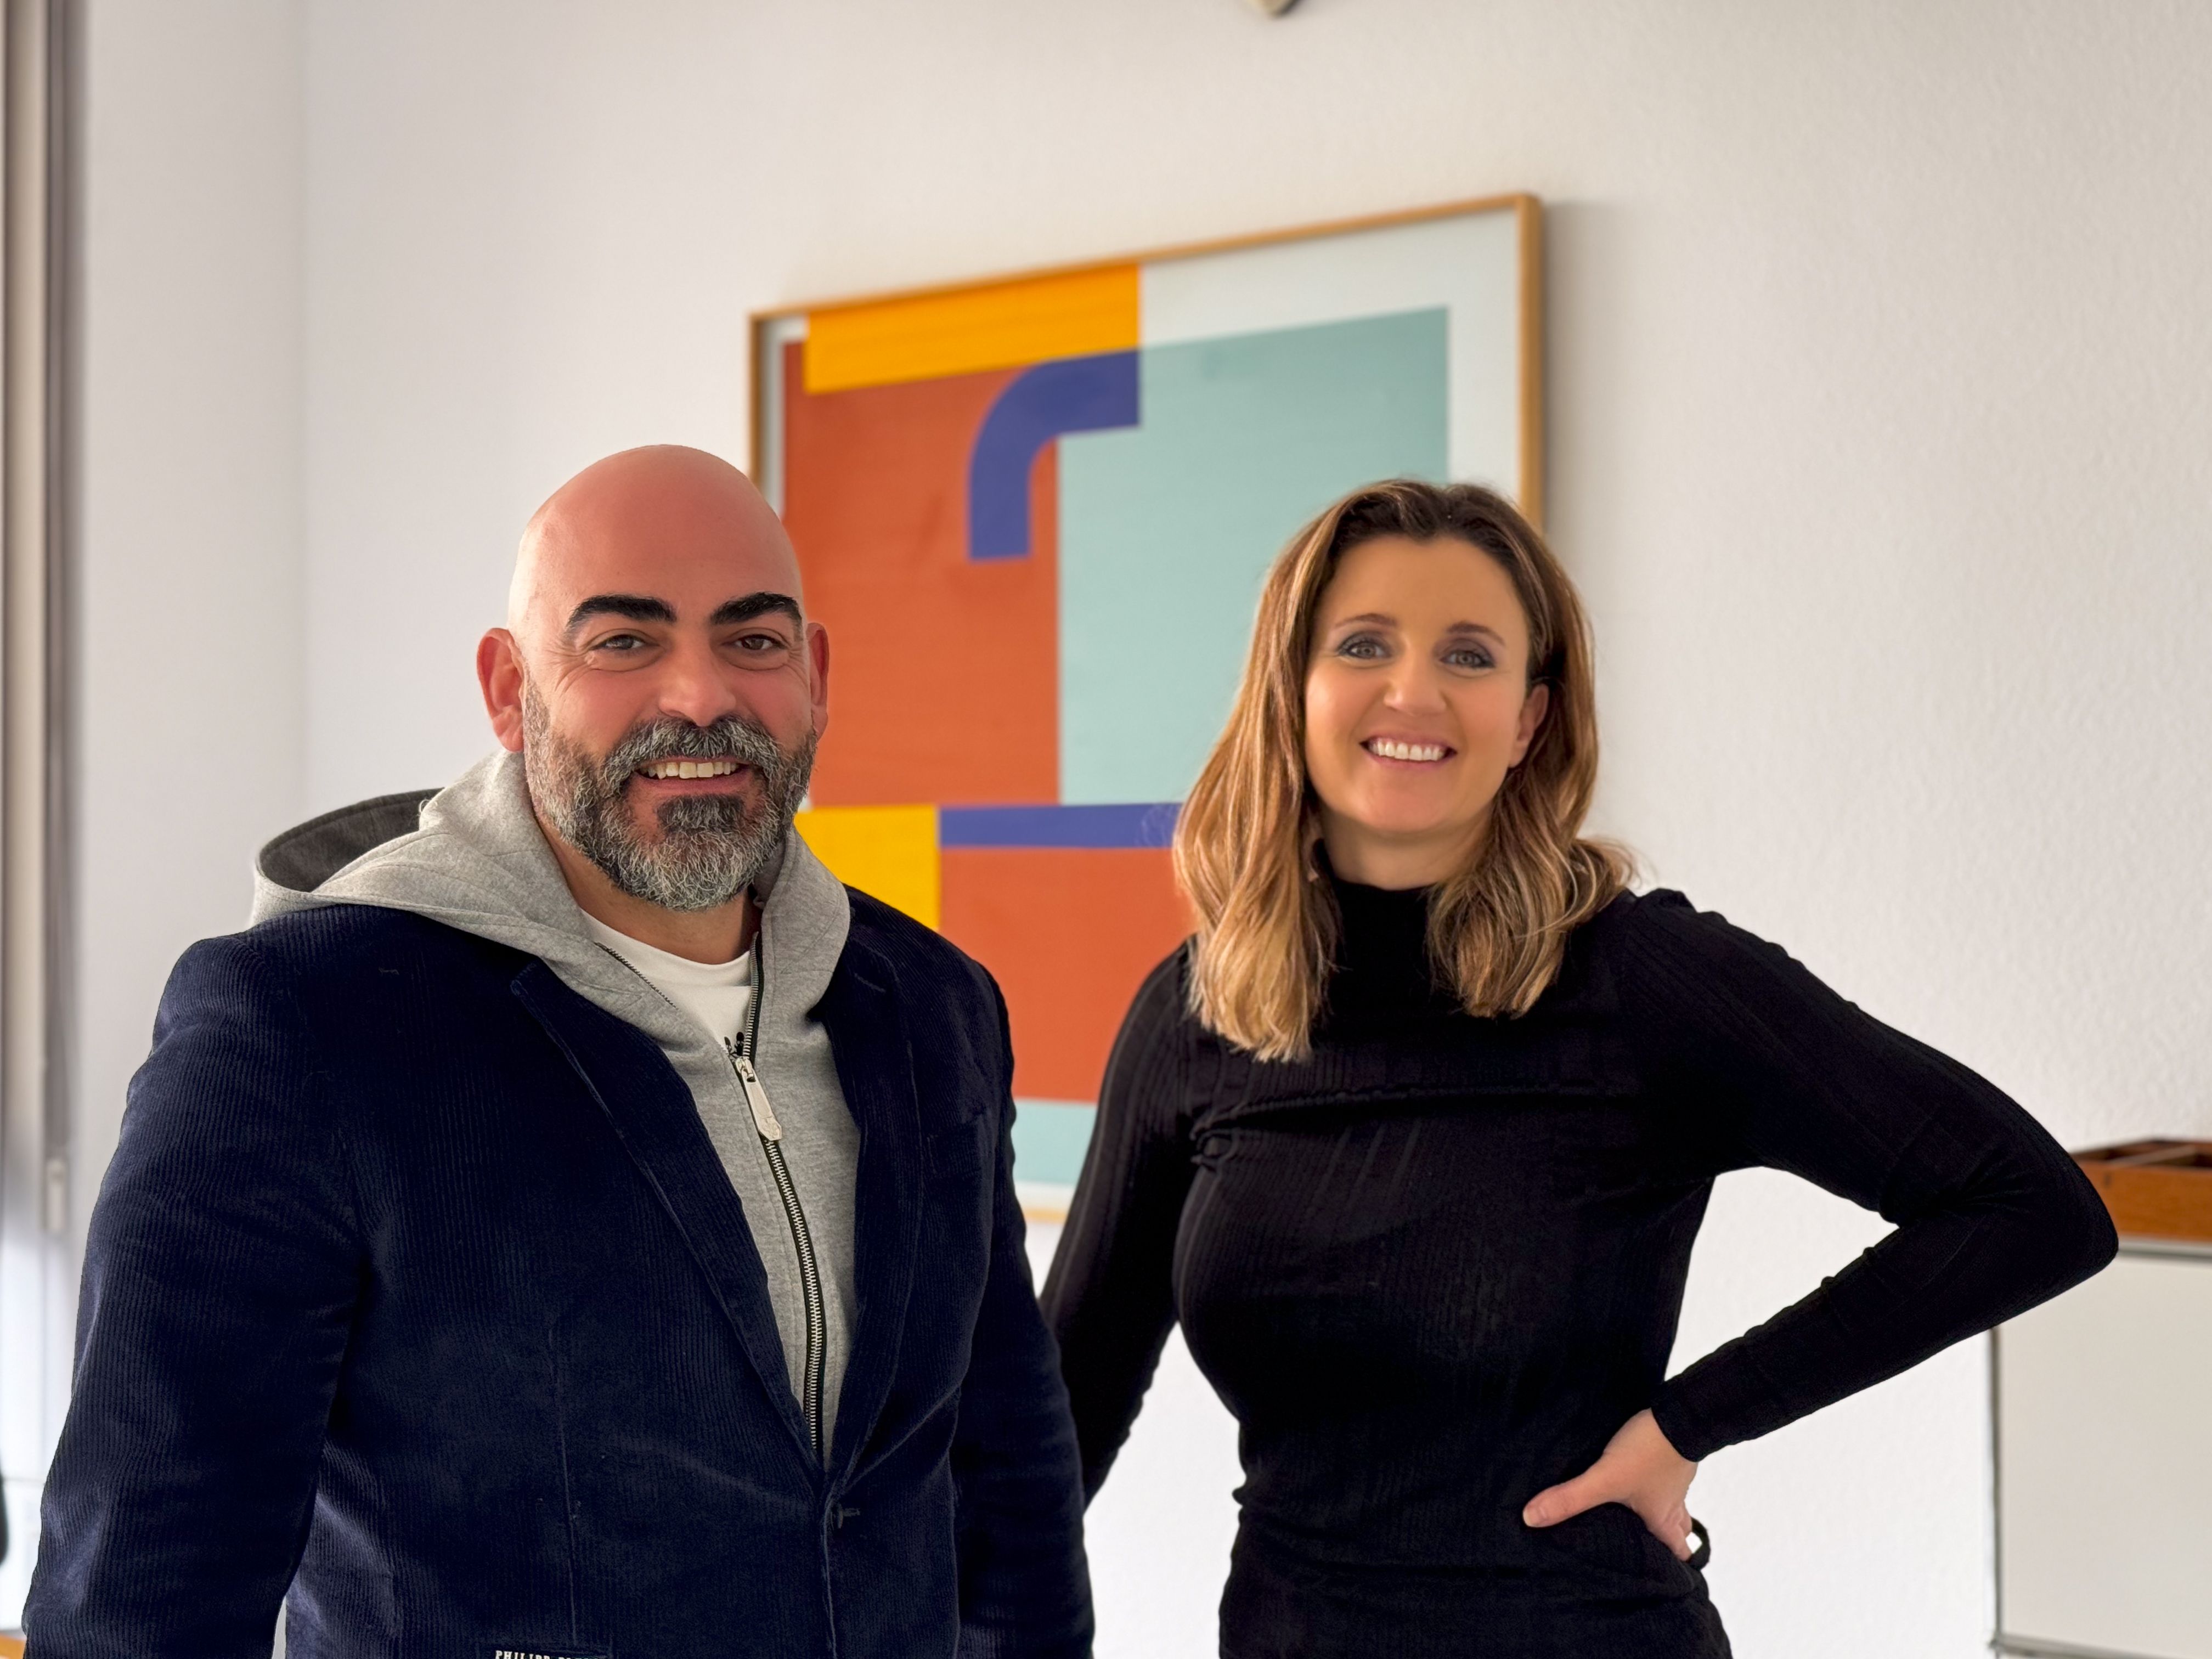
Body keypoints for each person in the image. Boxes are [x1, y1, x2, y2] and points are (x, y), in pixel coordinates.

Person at [26, 446, 1092, 1658]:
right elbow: (149, 1584)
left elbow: (1008, 1480)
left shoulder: (934, 1006)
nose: (700, 696)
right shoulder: (301, 1028)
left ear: (817, 674)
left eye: (752, 639)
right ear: (508, 687)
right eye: (624, 642)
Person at [1041, 478, 2115, 1658]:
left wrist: (1689, 1423)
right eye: (1363, 645)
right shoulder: (1199, 1010)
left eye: (1469, 655)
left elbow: (2030, 1207)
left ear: (1530, 720)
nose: (1414, 692)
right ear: (1291, 690)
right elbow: (1064, 1400)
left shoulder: (1643, 980)